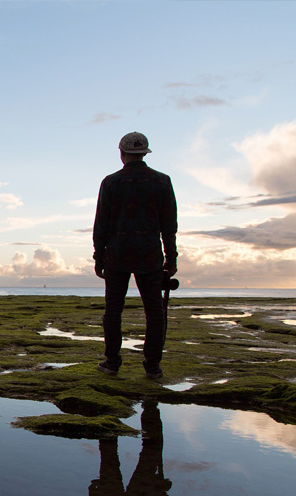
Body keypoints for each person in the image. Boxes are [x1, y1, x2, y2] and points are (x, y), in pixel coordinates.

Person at [93, 132, 177, 379]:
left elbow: (101, 224)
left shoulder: (111, 182)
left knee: (113, 310)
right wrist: (171, 258)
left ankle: (112, 362)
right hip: (149, 253)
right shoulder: (162, 181)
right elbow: (169, 225)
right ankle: (152, 365)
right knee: (154, 311)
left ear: (121, 154)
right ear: (145, 153)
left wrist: (99, 256)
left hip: (117, 253)